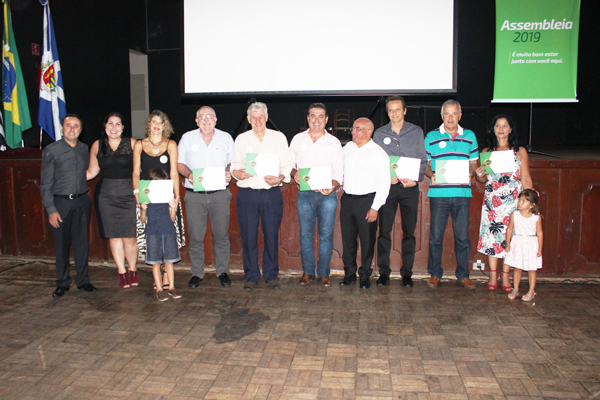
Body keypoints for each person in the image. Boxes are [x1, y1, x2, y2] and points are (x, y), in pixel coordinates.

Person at [230, 102, 293, 291]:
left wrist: (280, 178)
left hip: (271, 194)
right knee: (248, 237)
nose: (257, 120)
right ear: (248, 119)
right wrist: (237, 173)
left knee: (271, 236)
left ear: (266, 117)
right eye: (253, 117)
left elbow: (287, 164)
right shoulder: (241, 139)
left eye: (261, 116)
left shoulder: (278, 137)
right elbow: (235, 165)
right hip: (247, 194)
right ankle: (251, 276)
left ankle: (271, 275)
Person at [40, 114, 97, 297]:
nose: (72, 129)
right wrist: (51, 210)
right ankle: (63, 282)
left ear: (81, 129)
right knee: (62, 245)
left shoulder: (84, 148)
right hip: (60, 204)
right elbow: (45, 184)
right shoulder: (51, 150)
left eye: (76, 126)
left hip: (82, 201)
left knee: (82, 243)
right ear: (62, 128)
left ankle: (83, 280)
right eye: (68, 125)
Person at [373, 96, 427, 287]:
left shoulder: (416, 131)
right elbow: (375, 161)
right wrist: (383, 177)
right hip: (387, 188)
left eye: (398, 109)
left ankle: (407, 273)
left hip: (409, 188)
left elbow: (423, 159)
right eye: (390, 110)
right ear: (387, 112)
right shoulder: (379, 133)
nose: (394, 113)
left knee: (409, 232)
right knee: (384, 231)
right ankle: (384, 272)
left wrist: (416, 179)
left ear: (405, 110)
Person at [424, 100, 479, 289]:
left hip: (462, 193)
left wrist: (471, 173)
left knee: (462, 237)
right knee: (435, 237)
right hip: (439, 194)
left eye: (454, 113)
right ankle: (435, 273)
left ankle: (463, 275)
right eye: (447, 113)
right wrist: (432, 175)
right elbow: (426, 165)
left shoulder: (470, 136)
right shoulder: (431, 136)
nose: (450, 117)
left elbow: (474, 163)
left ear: (460, 116)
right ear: (442, 116)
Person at [474, 114, 533, 292]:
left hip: (514, 201)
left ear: (510, 129)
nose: (501, 129)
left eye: (505, 125)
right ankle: (493, 274)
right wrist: (479, 173)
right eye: (497, 125)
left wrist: (530, 202)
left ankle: (505, 274)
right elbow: (483, 179)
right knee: (493, 237)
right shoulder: (487, 152)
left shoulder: (519, 152)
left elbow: (525, 178)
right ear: (493, 129)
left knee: (510, 238)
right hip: (493, 201)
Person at [178, 106, 234, 288]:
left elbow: (234, 161)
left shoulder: (226, 138)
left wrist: (228, 171)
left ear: (215, 120)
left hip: (220, 195)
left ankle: (223, 271)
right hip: (195, 196)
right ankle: (196, 273)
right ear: (196, 121)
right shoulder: (187, 138)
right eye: (202, 116)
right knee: (195, 237)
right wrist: (188, 174)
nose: (206, 119)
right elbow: (179, 163)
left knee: (222, 235)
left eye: (210, 116)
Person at [290, 103, 343, 287]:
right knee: (305, 234)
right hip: (305, 194)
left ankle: (324, 273)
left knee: (326, 235)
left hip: (328, 195)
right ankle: (307, 272)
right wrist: (294, 174)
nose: (317, 120)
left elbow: (339, 172)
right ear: (308, 118)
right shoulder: (297, 139)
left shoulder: (334, 142)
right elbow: (290, 164)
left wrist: (333, 187)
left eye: (321, 116)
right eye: (313, 115)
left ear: (326, 119)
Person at [87, 112, 138, 289]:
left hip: (130, 195)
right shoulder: (97, 145)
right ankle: (121, 271)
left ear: (123, 127)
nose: (114, 127)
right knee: (114, 235)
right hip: (106, 195)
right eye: (110, 123)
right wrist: (70, 179)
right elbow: (92, 172)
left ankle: (133, 270)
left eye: (118, 124)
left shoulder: (132, 143)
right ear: (105, 126)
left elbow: (141, 169)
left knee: (130, 237)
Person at [133, 110, 183, 289]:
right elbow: (135, 172)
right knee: (151, 237)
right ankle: (157, 275)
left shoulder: (171, 144)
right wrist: (137, 194)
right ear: (149, 124)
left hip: (166, 197)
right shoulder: (139, 144)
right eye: (154, 121)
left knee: (168, 236)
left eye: (160, 122)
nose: (157, 125)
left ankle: (166, 275)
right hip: (146, 197)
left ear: (165, 126)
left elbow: (174, 173)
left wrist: (176, 196)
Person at [339, 118, 390, 289]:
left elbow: (385, 183)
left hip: (367, 201)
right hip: (347, 200)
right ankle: (349, 274)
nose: (353, 132)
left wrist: (375, 207)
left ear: (369, 132)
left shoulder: (378, 153)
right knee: (348, 240)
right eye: (353, 128)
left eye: (358, 129)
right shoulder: (347, 148)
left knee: (367, 241)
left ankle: (365, 275)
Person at [140, 168, 182, 301]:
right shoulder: (146, 197)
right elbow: (143, 220)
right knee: (155, 262)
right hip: (152, 231)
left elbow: (172, 218)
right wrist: (143, 210)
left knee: (169, 261)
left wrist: (173, 208)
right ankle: (159, 289)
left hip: (168, 230)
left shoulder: (168, 196)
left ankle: (171, 287)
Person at [504, 189, 543, 301]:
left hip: (531, 244)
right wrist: (508, 244)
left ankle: (531, 291)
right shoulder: (515, 215)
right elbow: (509, 229)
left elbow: (540, 233)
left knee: (532, 269)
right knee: (517, 267)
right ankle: (515, 289)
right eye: (520, 200)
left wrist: (540, 248)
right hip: (518, 243)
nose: (520, 203)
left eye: (524, 201)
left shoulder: (536, 217)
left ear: (532, 205)